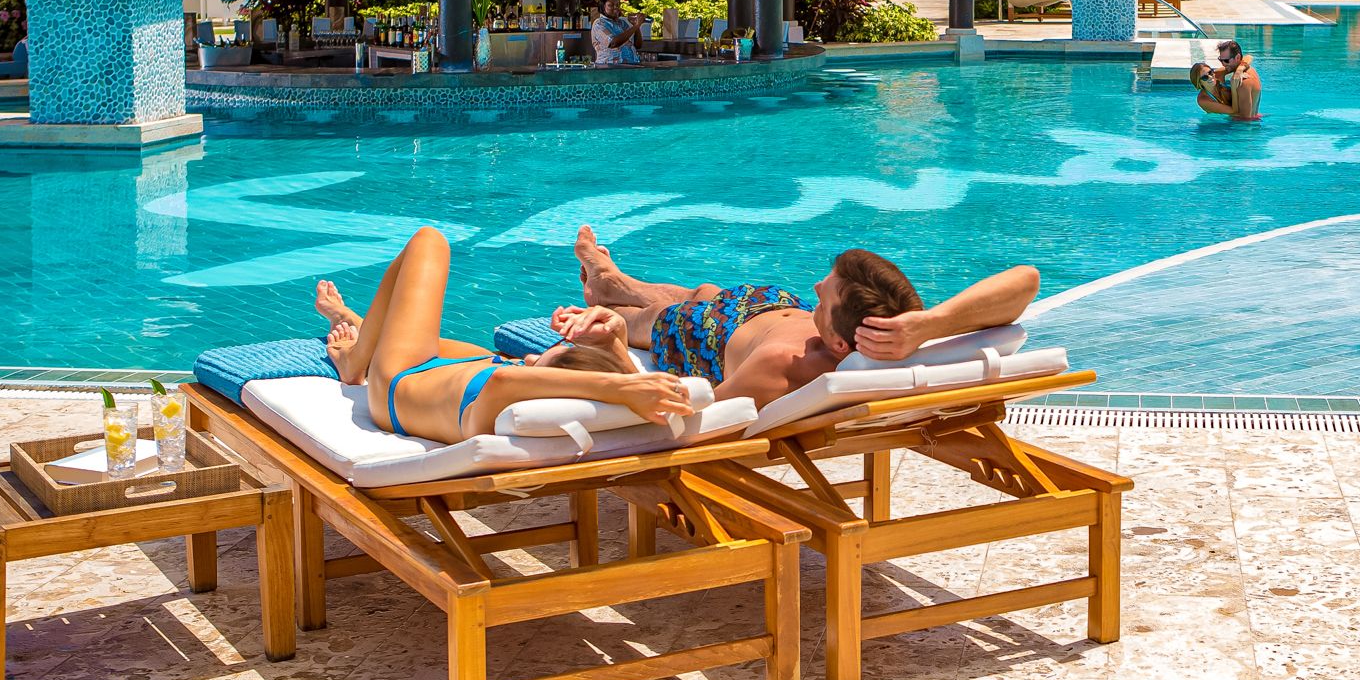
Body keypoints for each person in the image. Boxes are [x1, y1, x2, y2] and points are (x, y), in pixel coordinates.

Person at [568, 226, 1040, 406]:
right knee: (705, 290)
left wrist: (612, 346)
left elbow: (699, 413)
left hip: (710, 334)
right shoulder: (908, 332)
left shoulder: (782, 364)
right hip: (769, 306)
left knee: (650, 318)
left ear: (840, 344)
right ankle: (612, 279)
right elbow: (1027, 278)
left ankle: (607, 296)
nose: (817, 285)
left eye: (826, 293)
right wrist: (929, 323)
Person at [311, 229, 694, 444]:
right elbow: (517, 372)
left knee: (429, 241)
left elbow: (505, 377)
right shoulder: (518, 383)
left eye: (539, 363)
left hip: (398, 379)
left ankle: (355, 359)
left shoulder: (493, 404)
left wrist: (619, 389)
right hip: (456, 370)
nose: (527, 359)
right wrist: (617, 336)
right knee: (404, 322)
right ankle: (355, 325)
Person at [1194, 40, 1259, 121]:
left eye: (1226, 60)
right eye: (1220, 60)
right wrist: (1234, 88)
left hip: (1240, 125)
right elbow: (1234, 111)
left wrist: (1239, 69)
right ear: (1198, 81)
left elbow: (1248, 57)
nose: (1223, 64)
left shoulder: (1217, 75)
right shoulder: (1203, 100)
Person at [589, 0, 645, 66]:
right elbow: (613, 43)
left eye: (617, 5)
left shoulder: (622, 23)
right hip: (609, 69)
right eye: (611, 5)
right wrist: (636, 26)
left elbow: (638, 45)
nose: (615, 7)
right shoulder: (599, 23)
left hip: (629, 67)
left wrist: (636, 26)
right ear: (603, 7)